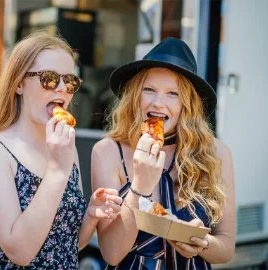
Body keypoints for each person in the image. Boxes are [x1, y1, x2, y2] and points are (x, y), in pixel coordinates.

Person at [0, 30, 122, 269]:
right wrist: (58, 171)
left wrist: (90, 215)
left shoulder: (63, 148)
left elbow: (67, 245)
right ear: (18, 83)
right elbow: (21, 252)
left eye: (70, 81)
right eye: (49, 78)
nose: (61, 88)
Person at [91, 37, 235, 269]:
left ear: (188, 104)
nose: (158, 103)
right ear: (134, 96)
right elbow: (111, 253)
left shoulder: (217, 153)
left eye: (173, 93)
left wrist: (203, 243)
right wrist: (139, 186)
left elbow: (227, 248)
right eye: (149, 90)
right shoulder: (108, 151)